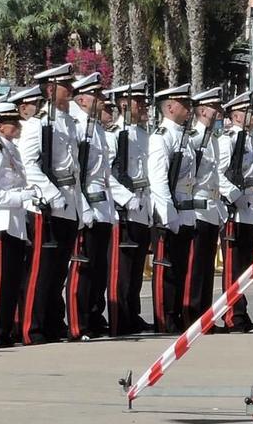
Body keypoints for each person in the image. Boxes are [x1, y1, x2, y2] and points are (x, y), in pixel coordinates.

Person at [17, 66, 84, 346]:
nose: (70, 89)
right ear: (49, 90)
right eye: (64, 84)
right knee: (40, 270)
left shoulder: (68, 123)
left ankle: (53, 324)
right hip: (46, 205)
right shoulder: (37, 124)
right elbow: (28, 164)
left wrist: (77, 205)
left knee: (57, 270)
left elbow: (76, 168)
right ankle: (31, 328)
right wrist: (50, 193)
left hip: (68, 201)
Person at [0, 100, 34, 350]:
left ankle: (4, 331)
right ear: (0, 126)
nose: (18, 126)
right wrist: (20, 197)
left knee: (12, 281)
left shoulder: (11, 150)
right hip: (0, 222)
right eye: (12, 123)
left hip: (14, 223)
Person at [147, 84, 197, 334]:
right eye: (184, 105)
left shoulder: (183, 136)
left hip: (185, 211)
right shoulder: (162, 136)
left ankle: (175, 314)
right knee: (166, 269)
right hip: (170, 213)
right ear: (169, 107)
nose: (189, 110)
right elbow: (158, 180)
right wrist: (169, 216)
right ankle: (164, 317)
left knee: (180, 269)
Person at [69, 73, 114, 339]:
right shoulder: (77, 126)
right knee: (83, 268)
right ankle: (79, 323)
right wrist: (82, 206)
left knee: (98, 268)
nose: (102, 100)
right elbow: (77, 173)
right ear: (83, 99)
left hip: (102, 205)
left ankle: (95, 317)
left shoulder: (95, 126)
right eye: (97, 96)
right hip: (86, 203)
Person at [106, 83, 153, 337]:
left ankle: (132, 314)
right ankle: (118, 319)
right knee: (121, 270)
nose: (143, 106)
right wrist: (124, 198)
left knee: (135, 269)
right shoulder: (114, 135)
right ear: (124, 105)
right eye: (138, 102)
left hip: (142, 206)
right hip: (124, 209)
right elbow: (106, 173)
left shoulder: (143, 135)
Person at [218, 95, 253, 332]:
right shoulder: (228, 140)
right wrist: (234, 196)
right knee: (234, 267)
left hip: (250, 207)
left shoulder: (246, 139)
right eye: (247, 111)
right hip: (235, 210)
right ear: (236, 115)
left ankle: (241, 311)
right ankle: (232, 315)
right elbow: (218, 173)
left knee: (245, 266)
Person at [184, 89, 226, 317]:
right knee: (196, 266)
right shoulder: (195, 138)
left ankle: (204, 313)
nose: (217, 112)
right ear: (201, 111)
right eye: (213, 108)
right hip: (198, 208)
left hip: (211, 207)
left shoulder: (213, 140)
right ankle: (191, 312)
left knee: (208, 267)